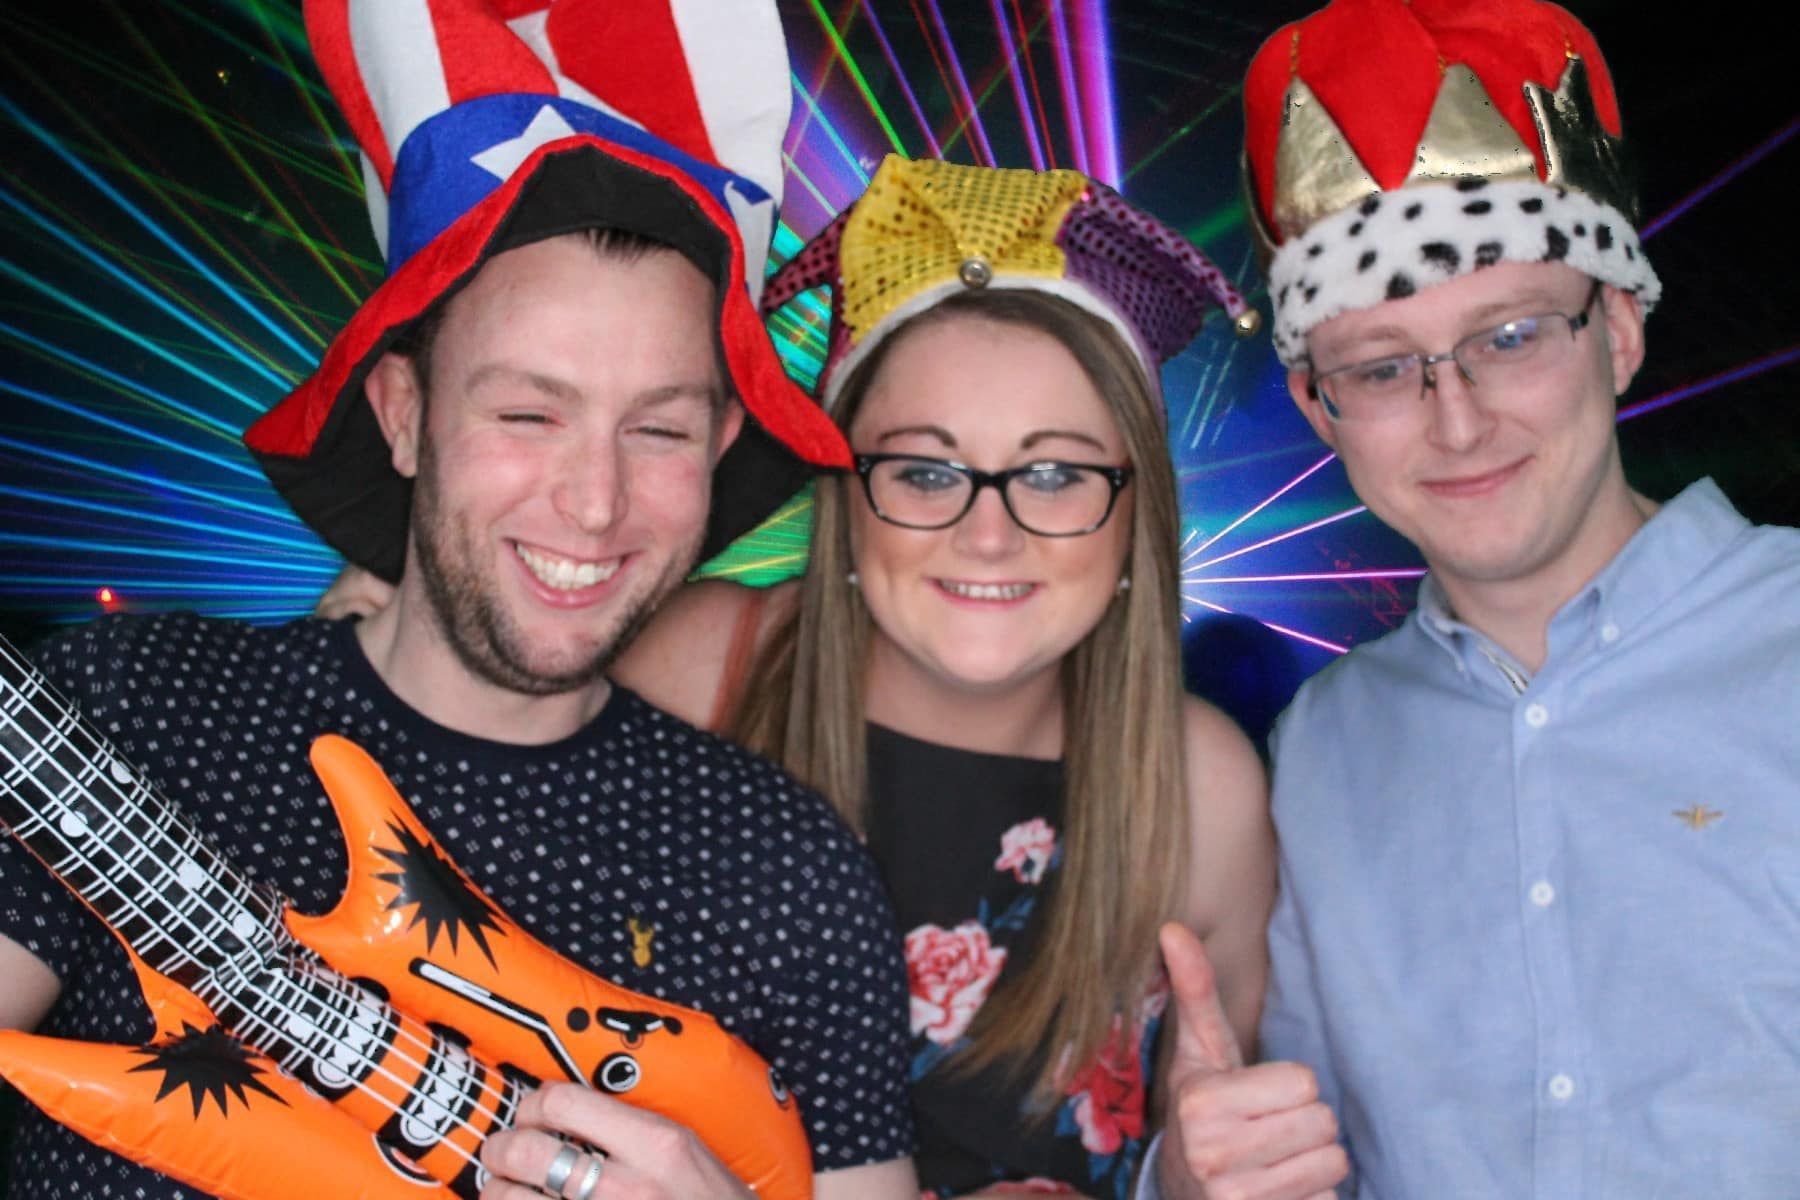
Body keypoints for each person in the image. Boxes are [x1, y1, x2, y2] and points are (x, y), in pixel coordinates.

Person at [0, 3, 919, 1198]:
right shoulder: (135, 711)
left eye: (659, 428)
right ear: (401, 415)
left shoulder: (791, 879)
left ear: (723, 445)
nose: (595, 504)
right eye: (527, 414)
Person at [324, 153, 1286, 1200]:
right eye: (923, 470)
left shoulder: (1202, 788)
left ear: (1135, 518)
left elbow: (1214, 1151)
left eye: (1053, 474)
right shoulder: (701, 668)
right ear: (844, 501)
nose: (989, 533)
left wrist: (1189, 1183)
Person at [1148, 0, 1800, 1195]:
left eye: (1509, 338)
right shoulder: (1317, 753)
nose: (1457, 422)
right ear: (1316, 408)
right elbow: (1294, 1165)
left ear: (1617, 331)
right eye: (1385, 367)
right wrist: (1191, 1178)